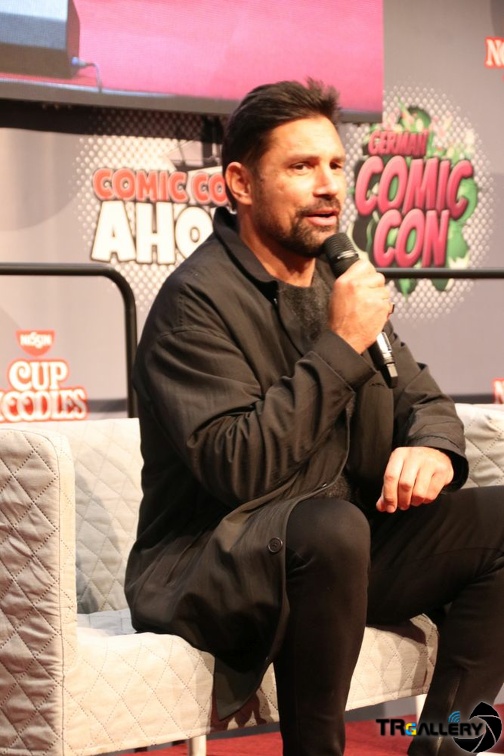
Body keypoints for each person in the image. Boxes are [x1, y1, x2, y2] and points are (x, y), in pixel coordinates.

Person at [125, 79, 504, 755]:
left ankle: (449, 745)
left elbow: (424, 400)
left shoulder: (342, 281)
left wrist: (433, 449)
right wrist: (342, 344)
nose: (329, 187)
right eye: (302, 167)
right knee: (330, 528)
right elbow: (241, 469)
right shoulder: (194, 303)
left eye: (335, 165)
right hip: (215, 561)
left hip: (343, 548)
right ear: (240, 183)